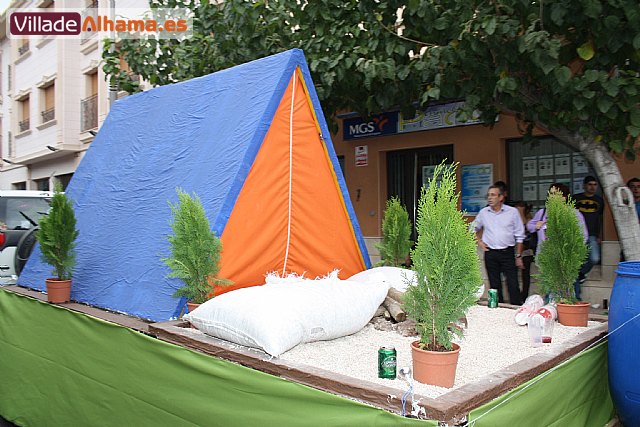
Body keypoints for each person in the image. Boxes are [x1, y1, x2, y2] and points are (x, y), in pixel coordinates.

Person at [527, 183, 589, 300]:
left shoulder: (574, 214)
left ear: (564, 197)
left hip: (566, 260)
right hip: (546, 258)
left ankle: (571, 308)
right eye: (550, 194)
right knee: (549, 289)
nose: (551, 196)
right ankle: (550, 308)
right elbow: (529, 226)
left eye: (555, 194)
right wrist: (536, 225)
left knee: (570, 290)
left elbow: (583, 236)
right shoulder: (543, 213)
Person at [474, 185, 524, 305]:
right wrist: (480, 242)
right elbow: (472, 228)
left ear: (501, 197)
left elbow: (520, 235)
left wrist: (518, 255)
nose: (489, 198)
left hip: (507, 253)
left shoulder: (512, 212)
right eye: (488, 195)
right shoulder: (484, 213)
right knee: (494, 285)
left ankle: (516, 307)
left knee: (513, 284)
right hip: (491, 253)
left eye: (493, 195)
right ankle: (496, 309)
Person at [574, 176, 604, 283]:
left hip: (592, 234)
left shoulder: (599, 200)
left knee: (595, 258)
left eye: (595, 185)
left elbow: (601, 219)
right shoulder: (575, 198)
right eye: (590, 184)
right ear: (584, 186)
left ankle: (581, 273)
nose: (592, 187)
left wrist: (600, 235)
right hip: (576, 234)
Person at [515, 201, 534, 301]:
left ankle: (523, 296)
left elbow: (527, 232)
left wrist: (522, 214)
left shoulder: (529, 219)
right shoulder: (512, 218)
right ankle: (516, 296)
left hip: (526, 252)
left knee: (525, 276)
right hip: (513, 251)